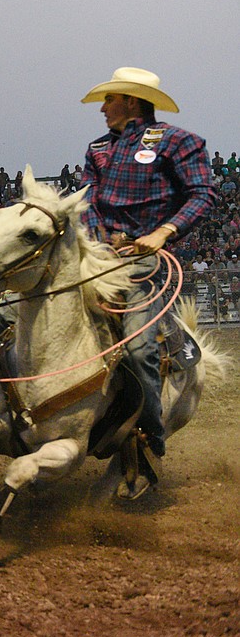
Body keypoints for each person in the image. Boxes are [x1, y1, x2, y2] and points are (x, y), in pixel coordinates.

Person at [80, 67, 216, 491]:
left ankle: (151, 431)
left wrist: (161, 233)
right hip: (99, 255)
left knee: (139, 351)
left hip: (147, 264)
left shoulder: (179, 141)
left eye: (109, 99)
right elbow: (87, 200)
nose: (102, 108)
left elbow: (202, 194)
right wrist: (102, 241)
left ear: (132, 102)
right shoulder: (98, 149)